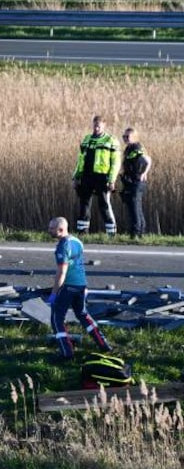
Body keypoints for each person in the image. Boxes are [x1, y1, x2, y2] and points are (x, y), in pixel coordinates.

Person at [47, 217, 113, 360]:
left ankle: (66, 352)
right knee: (82, 314)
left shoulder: (62, 246)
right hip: (81, 285)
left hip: (68, 286)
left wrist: (54, 293)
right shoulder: (77, 241)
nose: (49, 230)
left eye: (52, 228)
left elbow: (62, 272)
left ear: (61, 229)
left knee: (56, 318)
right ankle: (103, 344)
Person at [73, 114, 120, 236]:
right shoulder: (87, 139)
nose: (96, 129)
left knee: (104, 204)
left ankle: (111, 233)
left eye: (98, 126)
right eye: (94, 126)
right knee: (84, 202)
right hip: (87, 175)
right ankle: (82, 232)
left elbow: (115, 162)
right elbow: (80, 159)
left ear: (104, 126)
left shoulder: (110, 140)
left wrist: (111, 180)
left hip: (102, 176)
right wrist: (76, 176)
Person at [118, 128, 152, 239]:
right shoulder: (129, 149)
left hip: (136, 182)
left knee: (135, 207)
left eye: (127, 137)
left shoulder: (137, 148)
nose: (125, 139)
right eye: (124, 137)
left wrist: (144, 173)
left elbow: (148, 160)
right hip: (131, 181)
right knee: (136, 207)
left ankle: (136, 233)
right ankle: (141, 232)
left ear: (134, 137)